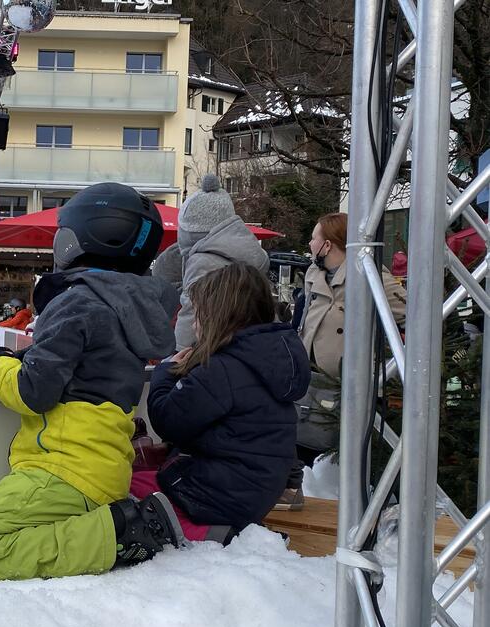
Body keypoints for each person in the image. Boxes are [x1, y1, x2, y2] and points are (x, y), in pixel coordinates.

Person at [0, 182, 181, 583]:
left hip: (65, 471)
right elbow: (81, 371)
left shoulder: (78, 300)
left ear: (85, 235)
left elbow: (32, 390)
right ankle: (114, 524)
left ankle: (124, 532)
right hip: (101, 470)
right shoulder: (128, 305)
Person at [144, 263, 310, 538]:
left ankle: (204, 532)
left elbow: (168, 420)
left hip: (218, 497)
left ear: (217, 315)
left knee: (129, 487)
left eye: (197, 315)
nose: (194, 324)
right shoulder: (268, 358)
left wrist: (164, 373)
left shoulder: (222, 369)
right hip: (253, 492)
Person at [283, 212, 407, 509]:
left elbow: (410, 311)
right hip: (311, 381)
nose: (310, 243)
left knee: (353, 458)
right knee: (305, 449)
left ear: (328, 245)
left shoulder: (371, 275)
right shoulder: (314, 274)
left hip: (351, 385)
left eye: (314, 237)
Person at [174, 174, 269, 349]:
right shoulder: (250, 251)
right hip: (250, 344)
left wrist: (180, 350)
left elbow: (191, 310)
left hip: (211, 347)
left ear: (189, 227)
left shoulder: (202, 260)